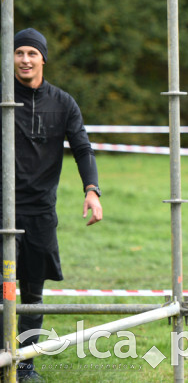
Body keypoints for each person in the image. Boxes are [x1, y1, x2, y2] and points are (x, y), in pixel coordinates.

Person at [2, 28, 103, 382]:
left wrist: (92, 190)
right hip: (2, 211)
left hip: (41, 214)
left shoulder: (63, 103)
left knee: (32, 293)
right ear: (11, 58)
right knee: (1, 291)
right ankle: (2, 361)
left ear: (43, 58)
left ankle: (25, 364)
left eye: (32, 53)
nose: (25, 59)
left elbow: (82, 148)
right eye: (19, 53)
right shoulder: (2, 97)